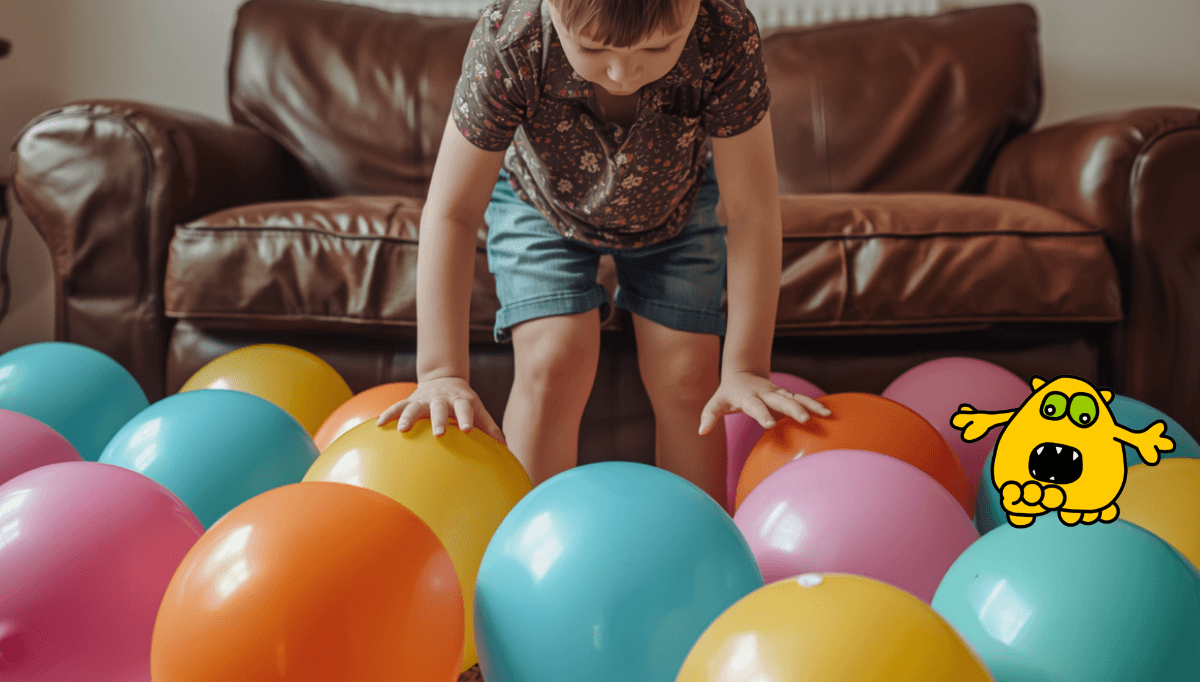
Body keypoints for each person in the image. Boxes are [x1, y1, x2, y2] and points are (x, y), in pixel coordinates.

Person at [377, 0, 829, 502]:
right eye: (593, 48)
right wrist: (441, 374)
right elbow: (452, 211)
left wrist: (745, 368)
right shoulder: (511, 38)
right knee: (554, 359)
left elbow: (752, 212)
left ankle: (700, 548)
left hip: (674, 210)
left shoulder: (724, 31)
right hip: (541, 205)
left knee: (687, 375)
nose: (622, 73)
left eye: (657, 47)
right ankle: (525, 547)